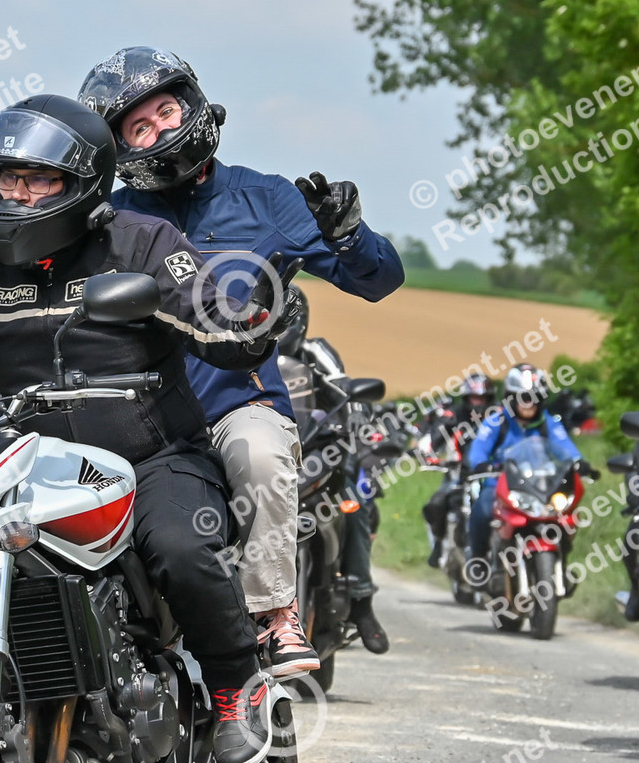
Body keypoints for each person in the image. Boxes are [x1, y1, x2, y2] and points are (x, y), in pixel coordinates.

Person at [0, 93, 296, 763]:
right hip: (29, 463)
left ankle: (234, 689)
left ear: (83, 183)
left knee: (182, 547)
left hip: (151, 456)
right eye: (6, 179)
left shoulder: (141, 243)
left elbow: (205, 305)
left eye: (38, 180)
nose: (17, 194)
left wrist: (245, 323)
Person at [79, 48, 405, 678]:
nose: (159, 131)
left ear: (194, 105)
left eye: (166, 112)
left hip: (236, 404)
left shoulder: (268, 198)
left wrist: (348, 234)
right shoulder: (109, 219)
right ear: (119, 148)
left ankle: (275, 613)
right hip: (134, 417)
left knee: (260, 453)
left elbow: (378, 281)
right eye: (138, 128)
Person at [274, 286, 388, 654]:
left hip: (317, 449)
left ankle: (361, 601)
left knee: (355, 500)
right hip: (270, 454)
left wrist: (352, 420)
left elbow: (343, 390)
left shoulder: (317, 352)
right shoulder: (244, 355)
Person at [466, 363, 583, 569]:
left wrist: (579, 463)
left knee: (564, 517)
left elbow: (565, 446)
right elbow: (478, 449)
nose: (528, 403)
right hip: (499, 484)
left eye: (534, 397)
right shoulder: (496, 421)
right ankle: (479, 562)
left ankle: (561, 563)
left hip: (541, 486)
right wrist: (481, 464)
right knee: (482, 511)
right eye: (523, 397)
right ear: (511, 397)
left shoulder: (548, 423)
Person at [421, 372, 495, 567]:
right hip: (460, 473)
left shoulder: (499, 416)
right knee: (436, 504)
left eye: (482, 398)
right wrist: (429, 455)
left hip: (494, 475)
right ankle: (439, 544)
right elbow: (434, 436)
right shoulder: (454, 415)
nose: (478, 403)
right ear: (466, 398)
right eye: (474, 398)